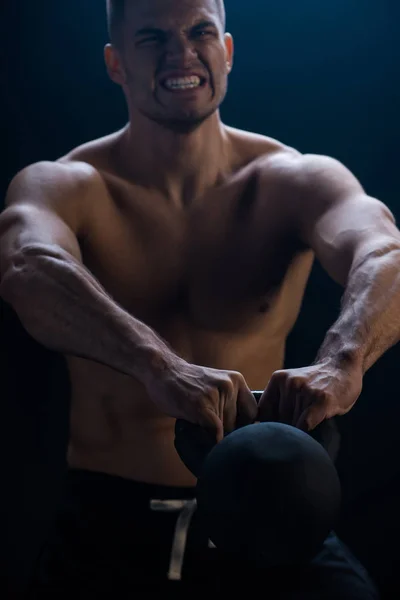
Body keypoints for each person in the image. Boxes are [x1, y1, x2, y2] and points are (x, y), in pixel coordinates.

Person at [1, 0, 399, 596]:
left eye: (199, 32)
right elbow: (27, 266)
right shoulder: (67, 185)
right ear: (116, 64)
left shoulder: (293, 180)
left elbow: (386, 254)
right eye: (153, 38)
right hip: (110, 523)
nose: (181, 54)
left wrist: (343, 363)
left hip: (272, 512)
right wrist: (156, 366)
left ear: (228, 51)